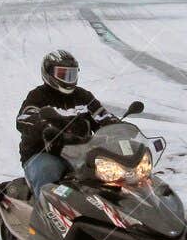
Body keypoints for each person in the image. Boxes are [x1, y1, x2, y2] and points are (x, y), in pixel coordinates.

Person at [16, 50, 118, 194]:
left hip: (81, 153)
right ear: (49, 74)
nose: (68, 79)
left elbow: (101, 116)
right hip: (43, 154)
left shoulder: (83, 96)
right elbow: (24, 119)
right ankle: (44, 212)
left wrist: (116, 125)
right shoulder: (38, 96)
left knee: (110, 174)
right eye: (63, 75)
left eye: (72, 74)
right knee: (48, 170)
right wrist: (44, 126)